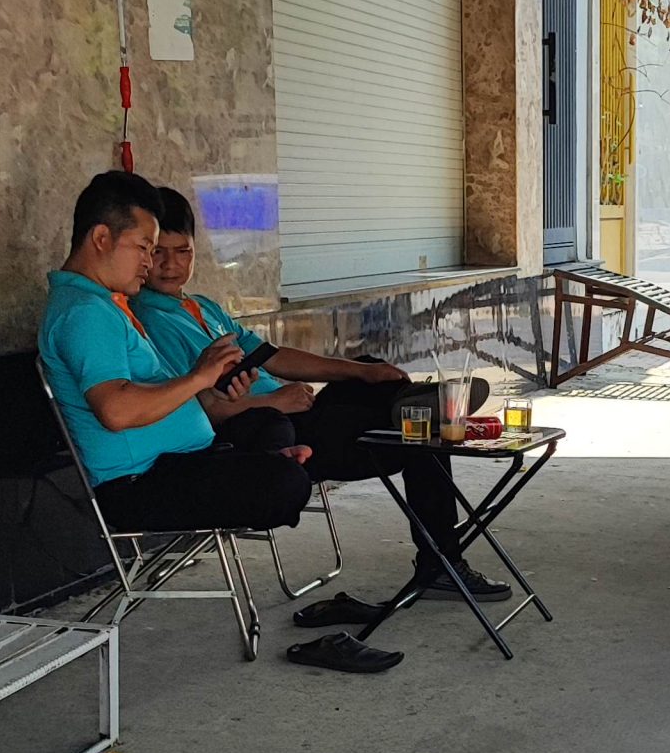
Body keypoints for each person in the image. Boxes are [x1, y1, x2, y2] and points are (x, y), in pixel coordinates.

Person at [38, 171, 397, 674]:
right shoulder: (86, 313)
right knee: (284, 480)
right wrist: (200, 377)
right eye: (143, 247)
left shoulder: (103, 306)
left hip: (177, 460)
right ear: (101, 238)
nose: (149, 262)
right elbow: (116, 410)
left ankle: (380, 433)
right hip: (140, 482)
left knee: (285, 463)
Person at [133, 186, 511, 615]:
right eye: (158, 253)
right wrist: (274, 402)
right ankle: (440, 557)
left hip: (291, 409)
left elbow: (274, 356)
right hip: (266, 437)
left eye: (182, 251)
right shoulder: (147, 318)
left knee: (375, 378)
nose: (170, 264)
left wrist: (359, 372)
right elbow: (200, 408)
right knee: (418, 435)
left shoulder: (203, 307)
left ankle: (407, 404)